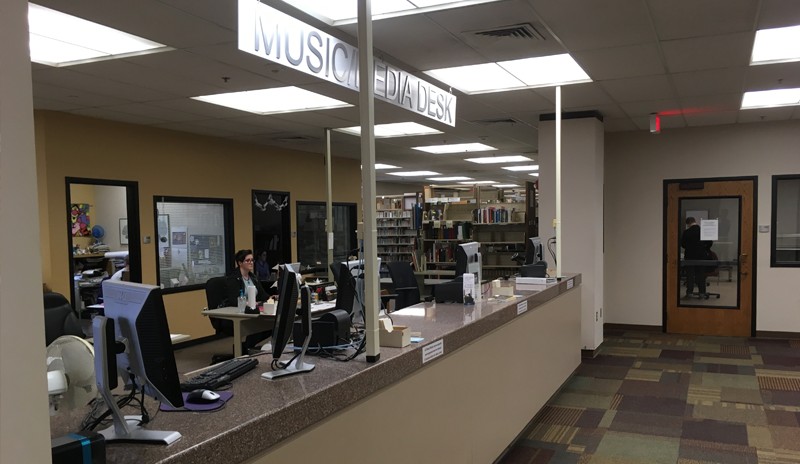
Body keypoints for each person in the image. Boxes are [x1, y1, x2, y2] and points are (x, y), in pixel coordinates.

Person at [226, 249, 269, 352]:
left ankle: (246, 346)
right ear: (240, 263)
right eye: (247, 260)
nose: (251, 263)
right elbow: (233, 300)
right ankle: (243, 348)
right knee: (261, 323)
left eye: (252, 260)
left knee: (271, 323)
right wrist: (248, 303)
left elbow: (263, 295)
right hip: (240, 313)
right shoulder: (234, 278)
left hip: (253, 311)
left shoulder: (253, 277)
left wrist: (272, 298)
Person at [681, 217, 712, 299]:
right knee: (701, 274)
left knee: (690, 275)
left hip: (689, 256)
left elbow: (683, 244)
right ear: (695, 221)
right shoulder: (702, 231)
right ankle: (702, 293)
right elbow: (709, 242)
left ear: (688, 224)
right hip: (701, 256)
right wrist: (704, 248)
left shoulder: (686, 232)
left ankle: (689, 293)